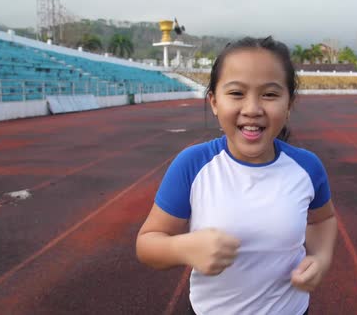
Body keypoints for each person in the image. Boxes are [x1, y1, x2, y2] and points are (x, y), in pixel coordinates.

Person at [136, 36, 337, 315]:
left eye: (269, 94)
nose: (252, 109)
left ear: (289, 104)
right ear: (214, 102)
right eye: (236, 93)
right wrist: (183, 247)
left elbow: (323, 219)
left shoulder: (307, 167)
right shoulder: (192, 165)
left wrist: (322, 258)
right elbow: (147, 242)